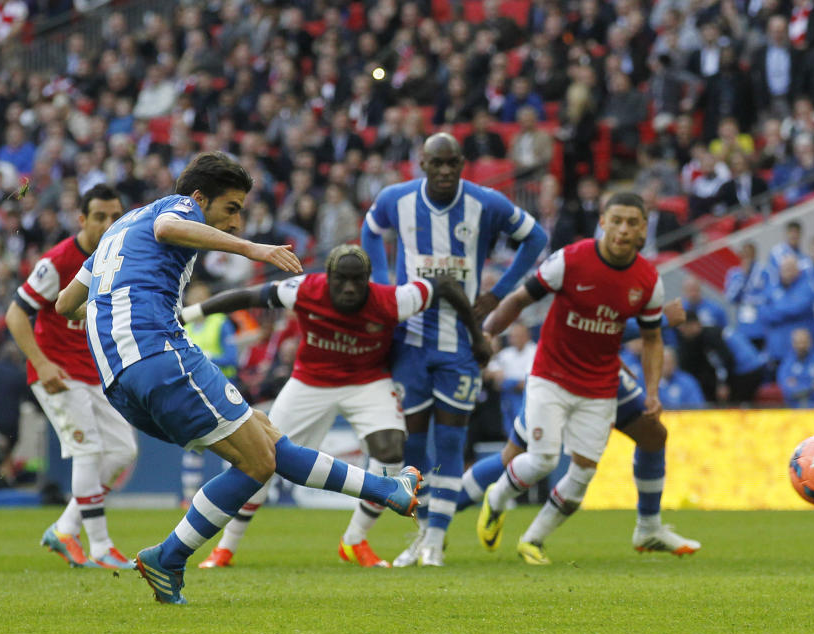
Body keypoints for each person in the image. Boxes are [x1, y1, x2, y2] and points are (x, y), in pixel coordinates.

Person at [55, 152, 422, 604]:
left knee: (265, 440)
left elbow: (65, 304)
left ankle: (387, 488)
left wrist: (108, 315)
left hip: (121, 381)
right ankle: (168, 557)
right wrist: (254, 249)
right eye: (230, 209)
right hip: (159, 353)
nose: (235, 223)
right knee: (258, 462)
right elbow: (168, 228)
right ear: (198, 197)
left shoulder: (116, 230)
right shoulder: (173, 210)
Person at [183, 245, 490, 569]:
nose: (349, 287)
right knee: (262, 457)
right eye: (341, 279)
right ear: (327, 277)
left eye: (357, 280)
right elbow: (247, 297)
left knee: (390, 451)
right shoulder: (304, 290)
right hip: (310, 383)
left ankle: (355, 540)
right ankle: (226, 548)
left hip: (367, 382)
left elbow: (445, 285)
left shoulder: (391, 300)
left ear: (369, 280)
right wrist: (189, 315)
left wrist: (477, 334)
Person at [476, 192, 699, 565]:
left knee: (582, 475)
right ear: (603, 222)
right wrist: (487, 332)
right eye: (616, 221)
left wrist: (653, 392)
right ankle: (495, 499)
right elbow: (520, 298)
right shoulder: (570, 259)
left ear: (644, 229)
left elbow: (651, 337)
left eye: (632, 222)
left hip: (599, 385)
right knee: (543, 460)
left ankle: (533, 540)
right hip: (551, 374)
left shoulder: (647, 281)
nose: (623, 230)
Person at [361, 133, 547, 566]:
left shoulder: (486, 203)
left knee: (450, 444)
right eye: (436, 163)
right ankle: (424, 534)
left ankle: (434, 540)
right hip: (409, 343)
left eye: (452, 164)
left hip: (461, 343)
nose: (445, 171)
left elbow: (535, 237)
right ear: (421, 163)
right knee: (412, 449)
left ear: (462, 163)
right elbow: (371, 229)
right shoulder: (396, 199)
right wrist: (386, 288)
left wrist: (499, 293)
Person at [456, 299, 688, 536]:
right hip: (555, 372)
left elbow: (605, 322)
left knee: (650, 435)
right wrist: (655, 321)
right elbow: (576, 321)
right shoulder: (573, 267)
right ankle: (439, 515)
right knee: (523, 458)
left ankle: (648, 527)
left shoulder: (634, 273)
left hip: (600, 371)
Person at [5, 184, 138, 570]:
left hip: (94, 372)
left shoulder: (120, 257)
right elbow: (16, 313)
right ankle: (100, 546)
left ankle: (65, 527)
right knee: (88, 450)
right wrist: (42, 363)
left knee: (122, 451)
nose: (109, 223)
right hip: (56, 371)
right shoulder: (59, 260)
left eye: (115, 216)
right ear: (82, 219)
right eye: (100, 216)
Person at [180, 280, 241, 507]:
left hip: (222, 389)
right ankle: (189, 497)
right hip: (194, 392)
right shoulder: (183, 327)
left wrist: (207, 358)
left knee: (234, 443)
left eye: (200, 297)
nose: (195, 301)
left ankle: (234, 494)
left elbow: (233, 358)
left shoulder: (220, 322)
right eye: (192, 297)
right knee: (194, 444)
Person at [762, 255, 814, 364]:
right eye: (785, 268)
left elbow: (797, 309)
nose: (788, 272)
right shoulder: (771, 287)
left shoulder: (806, 287)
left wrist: (776, 309)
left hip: (800, 349)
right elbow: (763, 312)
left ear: (798, 270)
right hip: (776, 348)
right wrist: (785, 309)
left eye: (791, 268)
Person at [487, 321, 536, 439]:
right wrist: (497, 375)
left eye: (518, 335)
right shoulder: (506, 354)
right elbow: (489, 373)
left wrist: (510, 381)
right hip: (508, 400)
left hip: (528, 399)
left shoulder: (535, 351)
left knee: (526, 431)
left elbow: (527, 382)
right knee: (510, 432)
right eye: (512, 336)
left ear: (527, 335)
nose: (514, 339)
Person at [724, 242, 769, 347]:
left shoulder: (764, 272)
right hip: (743, 325)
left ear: (754, 255)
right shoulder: (734, 274)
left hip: (762, 324)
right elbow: (730, 298)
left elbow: (769, 296)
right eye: (744, 255)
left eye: (750, 255)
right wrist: (742, 276)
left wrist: (749, 299)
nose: (747, 258)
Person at [776, 328, 814, 408]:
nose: (801, 346)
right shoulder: (787, 363)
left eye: (804, 342)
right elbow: (787, 389)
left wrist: (802, 389)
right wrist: (813, 387)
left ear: (811, 342)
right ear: (792, 343)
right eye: (798, 343)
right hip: (793, 408)